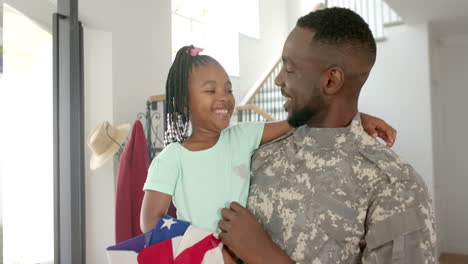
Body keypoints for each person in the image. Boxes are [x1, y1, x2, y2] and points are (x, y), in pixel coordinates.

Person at [217, 7, 436, 264]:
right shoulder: (257, 151)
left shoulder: (395, 186)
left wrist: (265, 256)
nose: (277, 80)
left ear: (331, 81)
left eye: (289, 69)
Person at [140, 45, 396, 261]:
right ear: (184, 103)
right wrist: (210, 252)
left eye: (228, 90)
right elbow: (150, 221)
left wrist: (356, 118)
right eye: (211, 91)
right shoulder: (172, 158)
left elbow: (299, 122)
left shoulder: (242, 136)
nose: (225, 98)